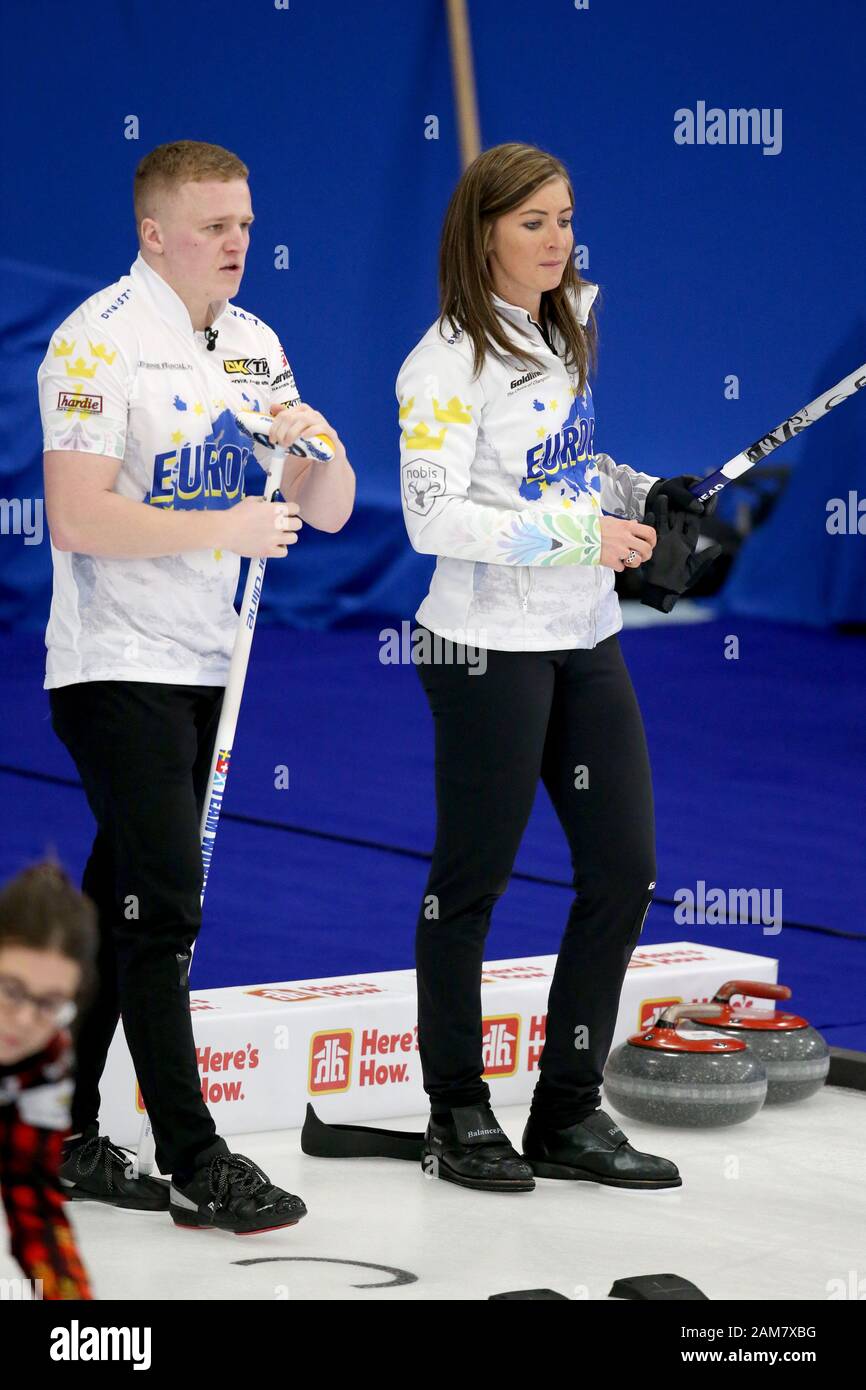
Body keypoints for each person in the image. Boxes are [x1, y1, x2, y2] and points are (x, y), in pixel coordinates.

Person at [37, 140, 355, 1232]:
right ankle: (193, 1157)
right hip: (113, 665)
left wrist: (315, 449)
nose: (236, 244)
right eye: (214, 225)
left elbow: (326, 511)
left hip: (204, 668)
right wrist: (226, 521)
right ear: (153, 231)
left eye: (247, 226)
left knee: (115, 905)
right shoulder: (94, 345)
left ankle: (56, 1132)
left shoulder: (256, 346)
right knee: (166, 906)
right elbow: (76, 517)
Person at [397, 142, 709, 1193]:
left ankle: (566, 1111)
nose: (555, 240)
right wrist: (583, 536)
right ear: (480, 231)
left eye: (565, 220)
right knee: (468, 885)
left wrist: (635, 488)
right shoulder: (440, 367)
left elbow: (568, 467)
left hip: (582, 639)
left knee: (621, 869)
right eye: (532, 222)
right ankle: (455, 1112)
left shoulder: (563, 325)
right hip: (480, 646)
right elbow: (433, 515)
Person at [0, 861, 96, 1298]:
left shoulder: (48, 1057)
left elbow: (33, 1202)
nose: (22, 1020)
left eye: (49, 1002)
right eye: (11, 988)